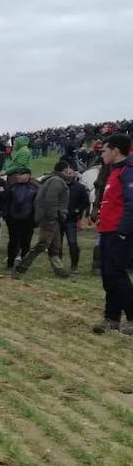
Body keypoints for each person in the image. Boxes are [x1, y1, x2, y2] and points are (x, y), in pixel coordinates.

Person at [92, 133, 133, 334]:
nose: (102, 154)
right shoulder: (114, 172)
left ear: (115, 150)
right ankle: (112, 318)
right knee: (108, 275)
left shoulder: (128, 171)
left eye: (104, 150)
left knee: (116, 274)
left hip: (119, 232)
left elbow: (131, 204)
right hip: (107, 231)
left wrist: (123, 231)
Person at [15, 164, 71, 278]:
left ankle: (60, 270)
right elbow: (51, 200)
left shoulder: (52, 179)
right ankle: (22, 266)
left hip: (53, 217)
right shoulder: (56, 181)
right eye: (70, 170)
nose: (72, 172)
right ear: (65, 170)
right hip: (50, 218)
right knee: (43, 244)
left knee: (55, 246)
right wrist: (53, 216)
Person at [4, 167, 38, 269]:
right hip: (13, 219)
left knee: (25, 242)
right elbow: (7, 202)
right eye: (18, 174)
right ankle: (10, 263)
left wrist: (34, 220)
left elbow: (37, 205)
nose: (19, 176)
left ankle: (23, 264)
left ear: (28, 176)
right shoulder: (12, 187)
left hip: (28, 219)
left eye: (21, 174)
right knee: (13, 242)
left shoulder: (35, 189)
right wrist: (7, 216)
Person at [61, 161, 91, 270]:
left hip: (71, 220)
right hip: (58, 219)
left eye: (70, 173)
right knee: (57, 244)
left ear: (74, 174)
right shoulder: (58, 185)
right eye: (66, 173)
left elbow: (85, 202)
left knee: (72, 242)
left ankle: (74, 265)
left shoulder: (80, 188)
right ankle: (58, 265)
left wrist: (78, 211)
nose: (68, 175)